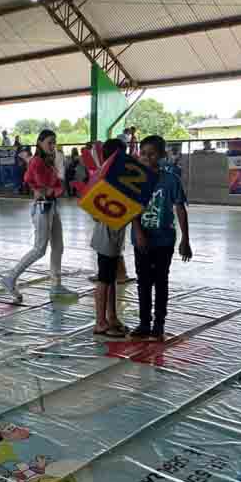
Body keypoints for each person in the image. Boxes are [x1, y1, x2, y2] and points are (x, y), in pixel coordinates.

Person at [1, 130, 76, 303]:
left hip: (51, 206)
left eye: (54, 143)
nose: (52, 146)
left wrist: (51, 187)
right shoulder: (37, 162)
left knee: (58, 246)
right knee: (39, 249)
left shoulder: (46, 162)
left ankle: (56, 285)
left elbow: (54, 186)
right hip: (42, 208)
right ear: (40, 142)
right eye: (49, 142)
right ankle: (10, 278)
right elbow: (47, 187)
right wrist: (48, 188)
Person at [130, 135, 193, 341]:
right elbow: (131, 208)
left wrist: (185, 239)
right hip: (142, 240)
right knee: (143, 281)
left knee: (161, 280)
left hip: (164, 240)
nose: (147, 157)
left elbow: (180, 208)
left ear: (162, 155)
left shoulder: (170, 180)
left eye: (152, 154)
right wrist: (138, 232)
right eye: (143, 153)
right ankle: (144, 322)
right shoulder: (135, 178)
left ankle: (159, 323)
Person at [91, 139, 130, 338]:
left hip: (115, 235)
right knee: (104, 279)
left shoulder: (119, 179)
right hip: (105, 236)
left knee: (111, 278)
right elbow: (95, 211)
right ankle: (100, 322)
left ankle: (112, 316)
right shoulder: (104, 180)